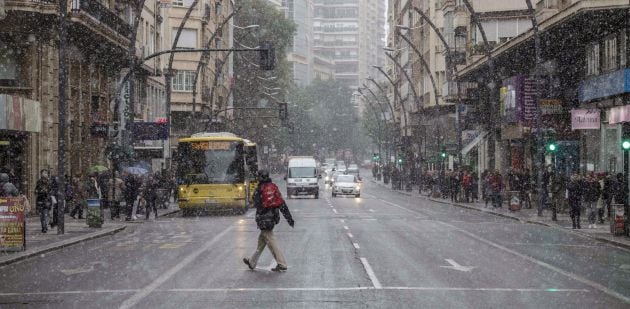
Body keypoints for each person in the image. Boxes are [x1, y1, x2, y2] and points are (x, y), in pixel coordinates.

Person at [243, 170, 294, 272]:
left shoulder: (260, 189)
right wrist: (289, 218)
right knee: (262, 241)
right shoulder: (273, 188)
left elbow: (255, 202)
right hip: (272, 218)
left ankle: (282, 263)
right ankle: (252, 262)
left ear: (260, 177)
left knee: (271, 240)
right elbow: (281, 204)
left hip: (263, 219)